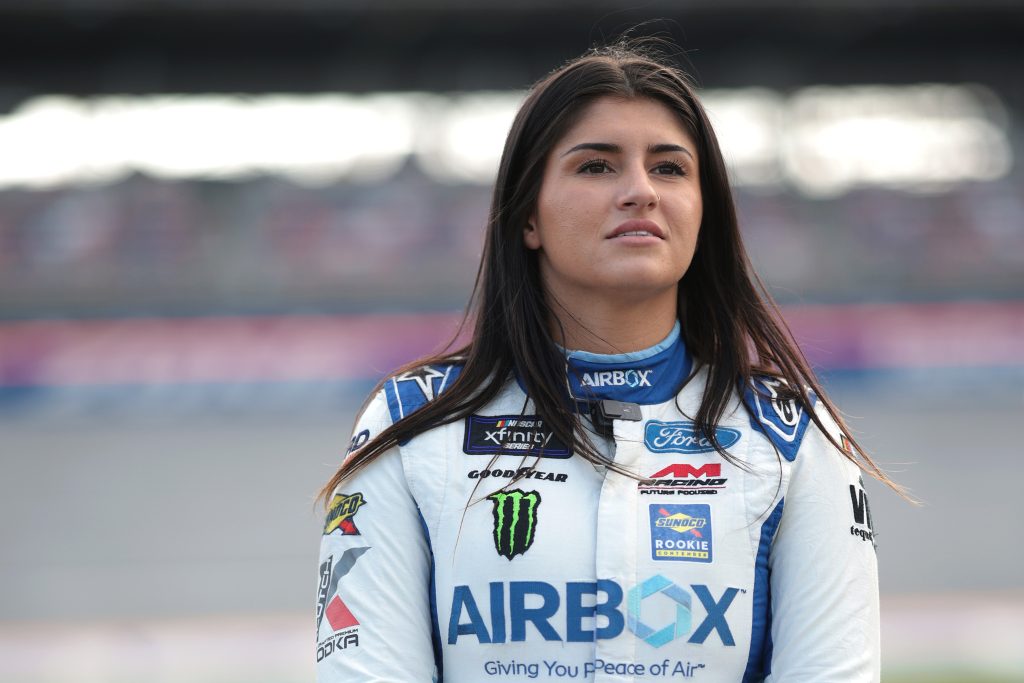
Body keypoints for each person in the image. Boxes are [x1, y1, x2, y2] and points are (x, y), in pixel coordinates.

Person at [316, 41, 894, 682]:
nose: (640, 191)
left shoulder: (793, 436)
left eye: (671, 168)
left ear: (705, 213)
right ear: (527, 215)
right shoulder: (411, 426)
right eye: (596, 166)